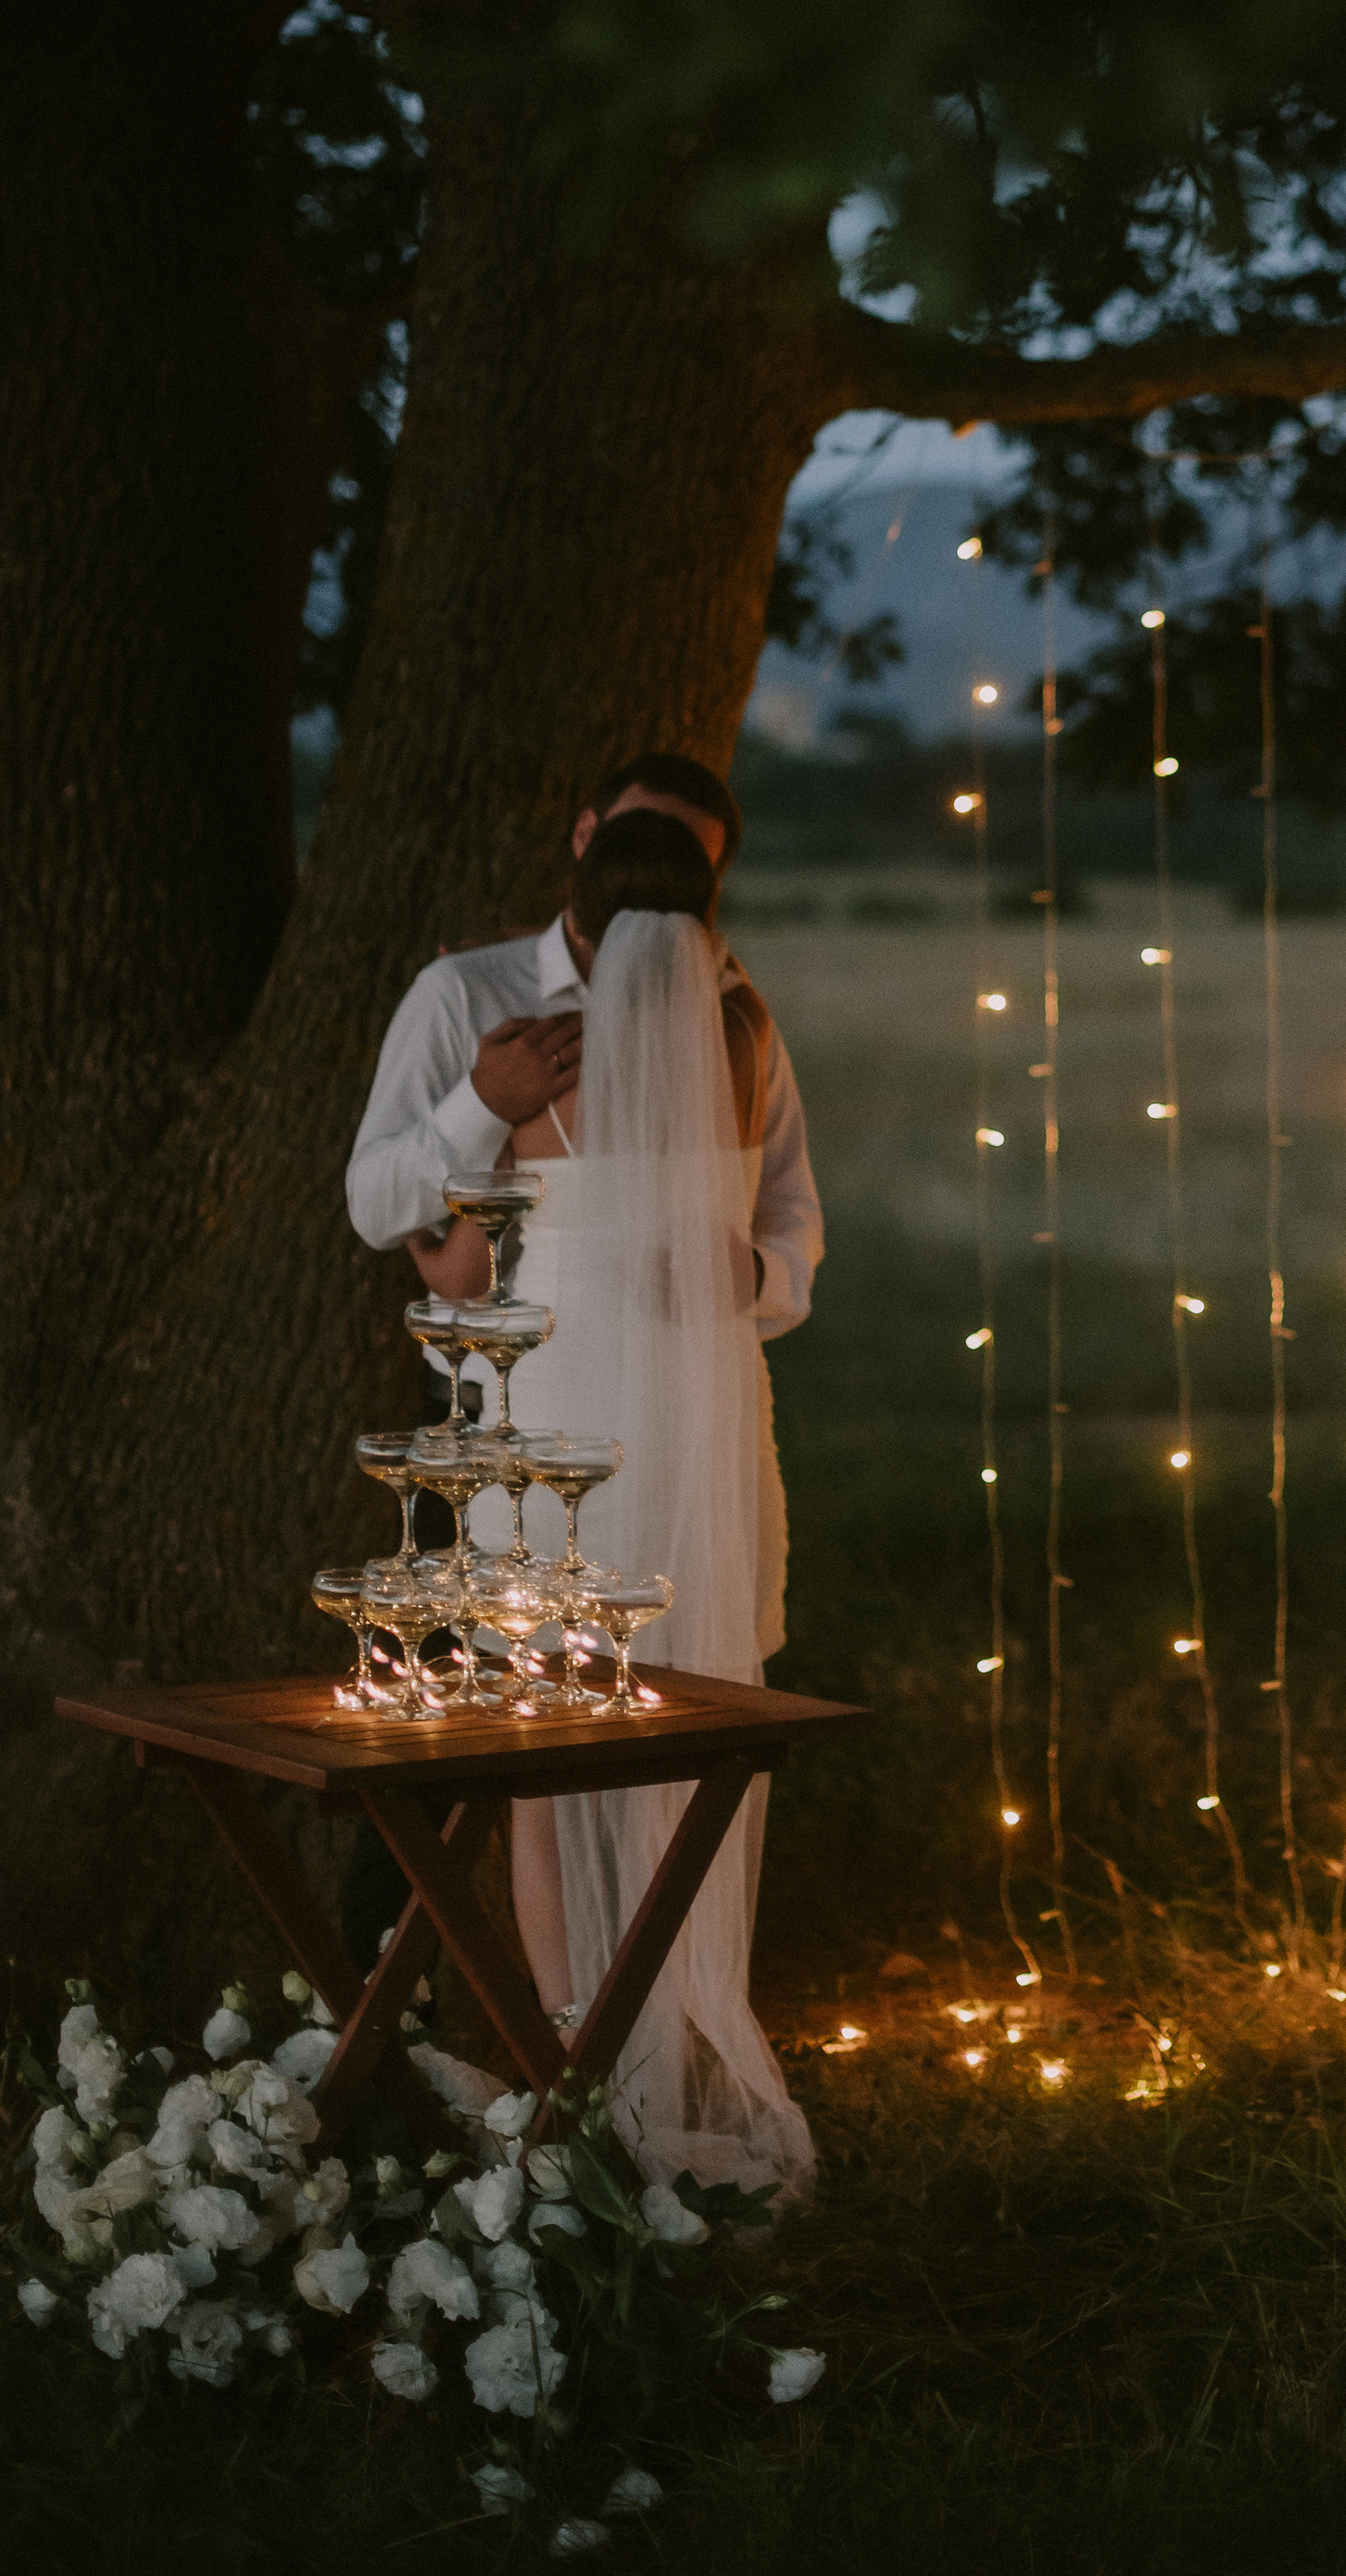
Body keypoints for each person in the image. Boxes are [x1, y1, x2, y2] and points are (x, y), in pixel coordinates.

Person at [344, 752, 822, 2195]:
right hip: (583, 1439)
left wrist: (738, 1263)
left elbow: (787, 1233)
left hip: (632, 1431)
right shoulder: (474, 1000)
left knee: (630, 1743)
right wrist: (478, 1102)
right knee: (578, 1752)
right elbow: (382, 1204)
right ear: (585, 841)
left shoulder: (739, 1020)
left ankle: (595, 2056)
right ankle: (616, 2052)